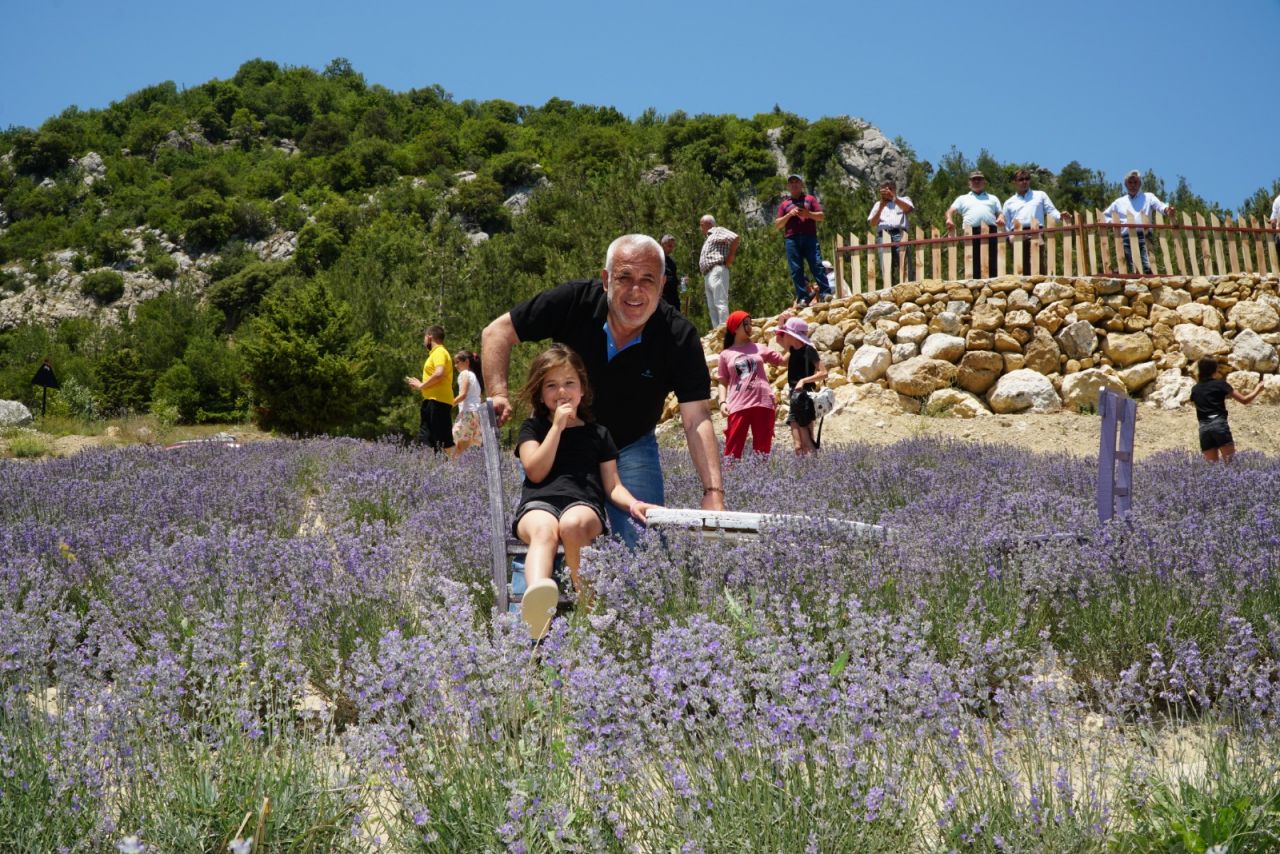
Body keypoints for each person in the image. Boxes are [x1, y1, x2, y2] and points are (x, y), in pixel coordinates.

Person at [482, 234, 725, 549]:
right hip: (561, 441)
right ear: (606, 279)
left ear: (663, 284)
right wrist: (499, 394)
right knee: (547, 535)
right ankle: (543, 595)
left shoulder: (678, 335)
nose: (635, 291)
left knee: (645, 546)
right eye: (624, 277)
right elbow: (496, 333)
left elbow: (696, 420)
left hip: (630, 445)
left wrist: (713, 493)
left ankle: (628, 597)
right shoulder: (573, 302)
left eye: (647, 279)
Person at [512, 344, 654, 639]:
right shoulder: (532, 428)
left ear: (582, 389)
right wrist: (557, 429)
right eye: (551, 385)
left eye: (568, 383)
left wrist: (633, 504)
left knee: (572, 524)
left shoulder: (598, 433)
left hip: (583, 504)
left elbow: (612, 485)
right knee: (544, 530)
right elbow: (535, 470)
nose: (561, 391)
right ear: (540, 393)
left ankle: (588, 611)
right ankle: (537, 603)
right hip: (538, 504)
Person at [716, 311, 785, 459]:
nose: (749, 327)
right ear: (735, 328)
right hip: (738, 404)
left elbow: (783, 361)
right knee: (732, 452)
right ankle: (732, 481)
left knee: (762, 452)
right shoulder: (726, 354)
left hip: (763, 403)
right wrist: (722, 402)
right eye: (745, 324)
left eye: (750, 324)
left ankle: (761, 481)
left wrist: (793, 340)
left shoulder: (760, 348)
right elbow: (722, 381)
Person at [1189, 356, 1261, 464]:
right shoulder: (1220, 384)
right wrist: (1258, 389)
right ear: (1215, 370)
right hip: (1219, 424)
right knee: (1231, 465)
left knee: (1213, 470)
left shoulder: (1195, 389)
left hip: (1204, 428)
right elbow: (1245, 400)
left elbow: (1196, 403)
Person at [1103, 170, 1175, 275]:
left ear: (1140, 184)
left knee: (1146, 264)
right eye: (1130, 183)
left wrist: (1167, 210)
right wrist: (1115, 222)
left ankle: (1148, 284)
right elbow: (1104, 216)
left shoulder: (1148, 197)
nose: (1133, 185)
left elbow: (1160, 206)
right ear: (1126, 184)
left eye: (1135, 182)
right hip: (1126, 237)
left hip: (1144, 235)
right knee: (1129, 264)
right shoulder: (1119, 202)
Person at [775, 174, 832, 304]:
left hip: (809, 237)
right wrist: (789, 215)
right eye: (791, 183)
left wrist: (808, 214)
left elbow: (821, 216)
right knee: (796, 269)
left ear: (801, 185)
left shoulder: (810, 199)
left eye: (797, 182)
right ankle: (802, 298)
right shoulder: (785, 204)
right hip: (792, 239)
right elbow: (778, 224)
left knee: (816, 264)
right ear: (788, 186)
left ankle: (825, 292)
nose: (794, 184)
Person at [775, 316, 827, 456]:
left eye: (787, 332)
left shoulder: (809, 350)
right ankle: (802, 474)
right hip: (794, 396)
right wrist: (781, 321)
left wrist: (803, 380)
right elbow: (778, 338)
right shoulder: (792, 349)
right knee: (797, 445)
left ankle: (814, 472)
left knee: (807, 441)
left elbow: (824, 373)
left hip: (805, 397)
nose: (784, 335)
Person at [1002, 169, 1071, 274]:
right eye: (1021, 179)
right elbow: (1005, 222)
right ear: (1014, 182)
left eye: (1027, 179)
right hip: (1016, 233)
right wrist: (1009, 237)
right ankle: (1023, 288)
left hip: (1037, 231)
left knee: (1038, 262)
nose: (1024, 181)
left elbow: (1051, 210)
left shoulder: (1040, 195)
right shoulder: (1009, 202)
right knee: (1020, 265)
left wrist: (1060, 216)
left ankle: (1040, 286)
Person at [945, 171, 1005, 279]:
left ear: (984, 182)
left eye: (979, 179)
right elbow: (950, 211)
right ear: (969, 183)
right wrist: (949, 219)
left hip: (991, 231)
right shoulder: (962, 198)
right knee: (972, 260)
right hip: (970, 232)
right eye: (974, 179)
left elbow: (1000, 213)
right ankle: (975, 285)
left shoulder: (993, 198)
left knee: (992, 259)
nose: (977, 181)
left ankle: (993, 283)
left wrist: (1000, 217)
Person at [404, 325, 454, 453]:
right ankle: (432, 468)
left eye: (424, 338)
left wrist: (421, 385)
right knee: (429, 439)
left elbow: (439, 373)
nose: (424, 341)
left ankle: (459, 467)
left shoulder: (440, 352)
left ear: (430, 337)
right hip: (433, 401)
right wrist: (420, 384)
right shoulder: (435, 354)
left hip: (438, 402)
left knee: (442, 440)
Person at [867, 179, 915, 284]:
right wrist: (881, 206)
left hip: (899, 234)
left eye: (889, 188)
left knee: (905, 263)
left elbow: (909, 209)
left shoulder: (904, 199)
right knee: (886, 265)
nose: (887, 191)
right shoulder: (877, 204)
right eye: (884, 188)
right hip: (883, 235)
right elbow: (873, 223)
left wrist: (893, 198)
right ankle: (889, 288)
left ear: (894, 189)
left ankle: (909, 285)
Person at [698, 215, 739, 329]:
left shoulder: (717, 231)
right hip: (708, 273)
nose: (700, 228)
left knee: (720, 302)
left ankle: (724, 329)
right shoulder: (708, 237)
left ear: (708, 223)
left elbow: (735, 237)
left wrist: (730, 256)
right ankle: (717, 331)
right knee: (712, 306)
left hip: (716, 269)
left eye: (701, 225)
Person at [450, 350, 484, 456]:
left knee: (450, 442)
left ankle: (452, 470)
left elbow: (463, 395)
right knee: (462, 447)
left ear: (467, 362)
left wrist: (448, 405)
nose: (455, 366)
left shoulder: (464, 374)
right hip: (476, 415)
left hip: (467, 414)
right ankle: (459, 470)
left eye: (458, 362)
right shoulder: (475, 378)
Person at [659, 234, 681, 311]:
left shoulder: (672, 261)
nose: (671, 249)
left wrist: (680, 281)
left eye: (673, 246)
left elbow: (673, 278)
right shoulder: (656, 258)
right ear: (662, 244)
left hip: (673, 296)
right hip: (662, 296)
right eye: (669, 246)